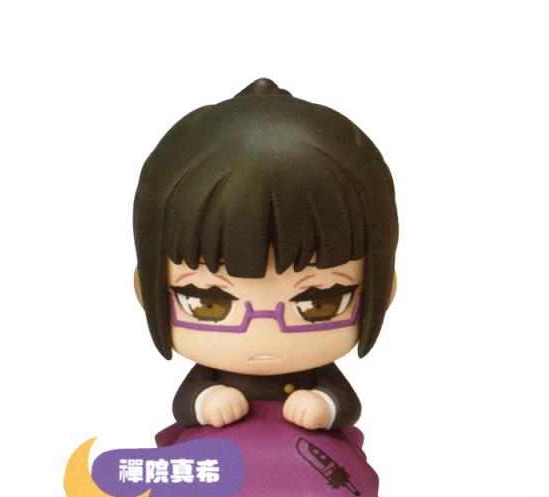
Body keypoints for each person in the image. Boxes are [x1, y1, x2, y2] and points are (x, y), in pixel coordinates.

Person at [133, 78, 398, 432]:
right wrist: (206, 401)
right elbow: (185, 404)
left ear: (385, 291)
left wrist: (324, 406)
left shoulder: (317, 375)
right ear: (144, 290)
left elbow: (346, 404)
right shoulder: (210, 376)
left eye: (319, 303)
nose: (263, 329)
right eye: (208, 303)